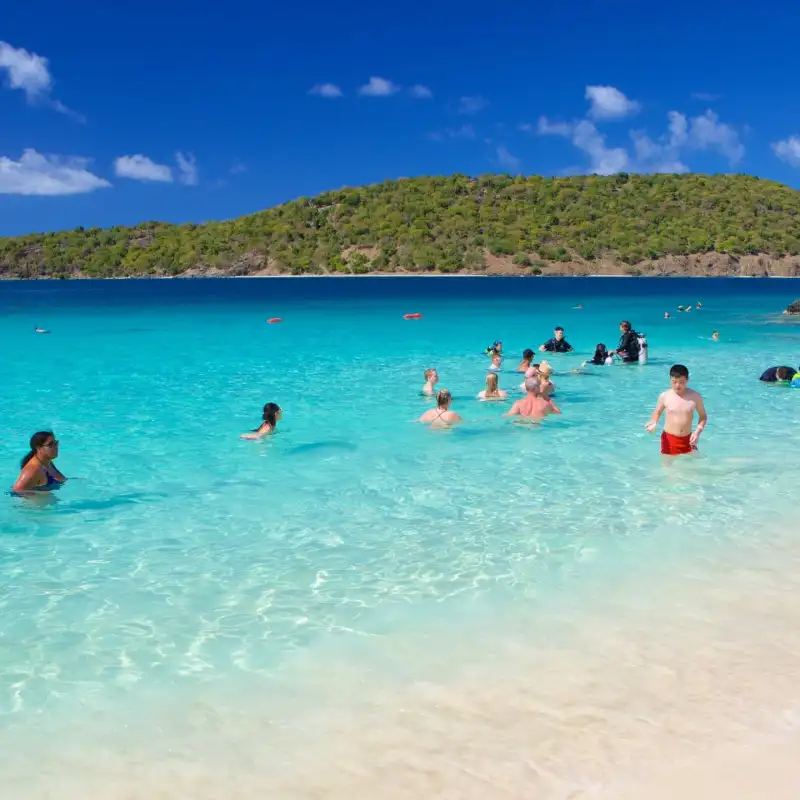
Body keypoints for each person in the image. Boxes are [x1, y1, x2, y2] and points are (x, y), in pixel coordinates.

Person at [645, 364, 707, 456]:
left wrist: (697, 432)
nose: (677, 385)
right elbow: (657, 412)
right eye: (674, 382)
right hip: (669, 440)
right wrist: (654, 422)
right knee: (669, 469)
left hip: (689, 439)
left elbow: (703, 416)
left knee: (693, 468)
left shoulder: (695, 397)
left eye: (681, 382)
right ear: (670, 379)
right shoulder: (664, 396)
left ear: (687, 380)